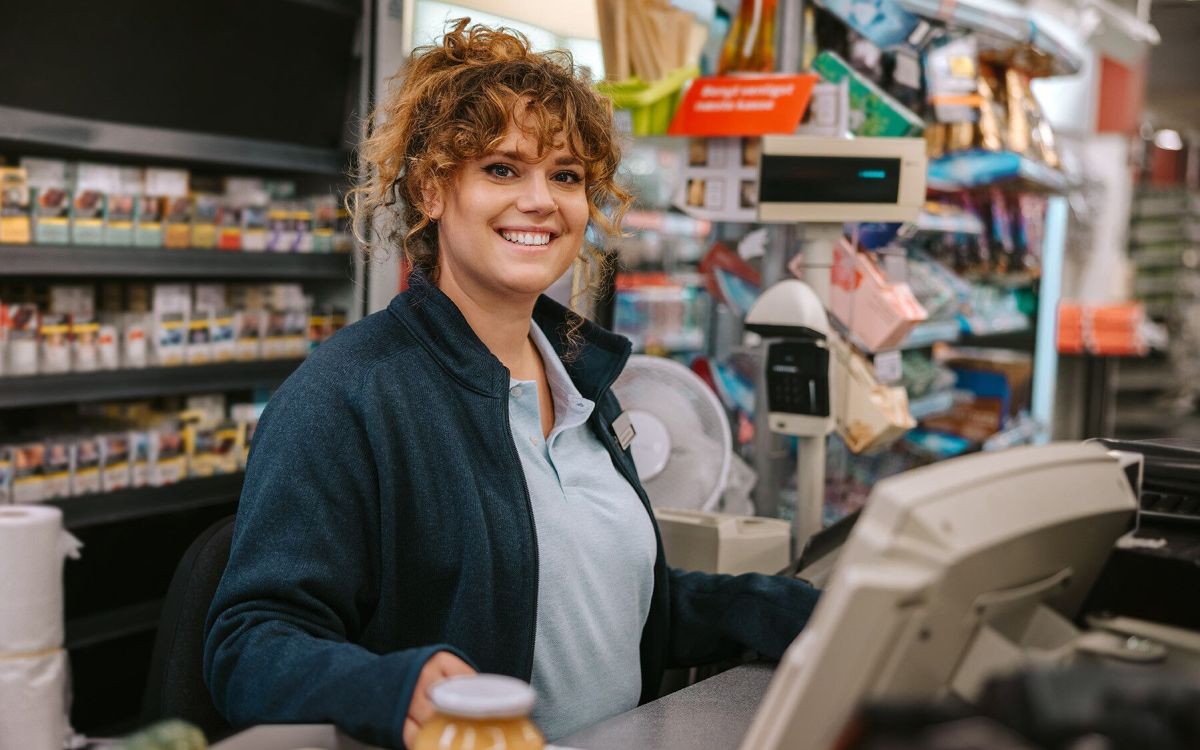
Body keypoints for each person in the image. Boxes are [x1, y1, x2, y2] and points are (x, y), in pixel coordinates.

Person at [203, 20, 820, 750]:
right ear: (432, 190)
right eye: (501, 169)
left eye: (566, 175)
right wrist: (392, 685)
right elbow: (249, 644)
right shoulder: (347, 395)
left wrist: (782, 609)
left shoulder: (583, 379)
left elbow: (597, 600)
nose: (541, 200)